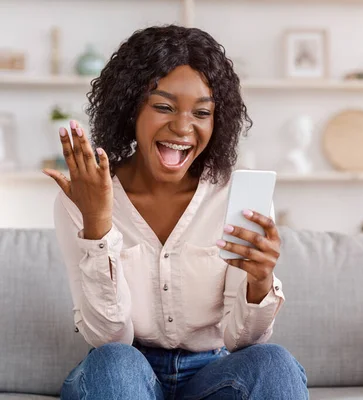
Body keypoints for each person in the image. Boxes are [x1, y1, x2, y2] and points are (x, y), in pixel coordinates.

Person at [43, 25, 308, 400]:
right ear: (130, 107)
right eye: (164, 107)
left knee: (273, 363)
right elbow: (109, 337)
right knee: (116, 363)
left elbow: (242, 340)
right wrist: (98, 226)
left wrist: (260, 282)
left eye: (202, 112)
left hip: (213, 373)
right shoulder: (83, 198)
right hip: (125, 372)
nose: (183, 127)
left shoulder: (236, 196)